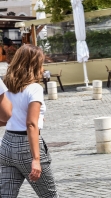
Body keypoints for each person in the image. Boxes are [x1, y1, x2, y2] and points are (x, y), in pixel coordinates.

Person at [0, 44, 59, 197]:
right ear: (34, 64)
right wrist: (36, 159)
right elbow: (31, 124)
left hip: (6, 145)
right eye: (41, 62)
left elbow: (4, 117)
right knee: (49, 195)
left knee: (6, 195)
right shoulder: (34, 89)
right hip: (27, 145)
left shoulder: (6, 86)